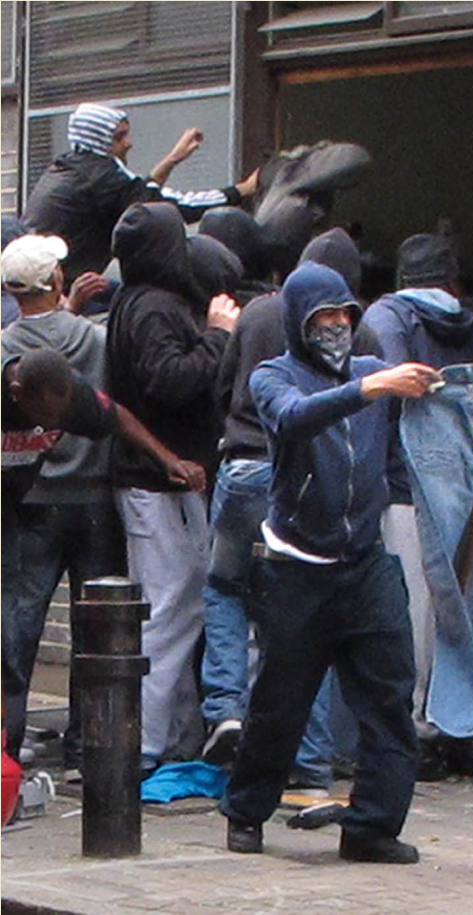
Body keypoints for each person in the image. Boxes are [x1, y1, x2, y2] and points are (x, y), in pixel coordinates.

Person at [220, 261, 438, 864]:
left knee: (390, 700)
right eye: (323, 316)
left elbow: (451, 395)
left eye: (345, 313)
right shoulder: (274, 376)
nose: (337, 325)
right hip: (296, 569)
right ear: (298, 321)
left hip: (365, 565)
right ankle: (246, 810)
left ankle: (372, 827)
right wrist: (370, 389)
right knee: (280, 703)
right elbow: (293, 417)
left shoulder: (373, 372)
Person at [201, 228, 381, 793]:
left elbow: (222, 388)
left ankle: (226, 708)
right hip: (311, 487)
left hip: (244, 469)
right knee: (307, 621)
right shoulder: (360, 337)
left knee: (226, 589)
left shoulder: (257, 314)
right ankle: (309, 763)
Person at [1, 348, 205, 764]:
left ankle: (26, 758)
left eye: (61, 416)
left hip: (12, 511)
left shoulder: (62, 393)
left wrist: (167, 459)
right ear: (18, 392)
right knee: (11, 637)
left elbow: (116, 418)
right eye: (46, 416)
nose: (53, 424)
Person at [106, 200, 239, 775]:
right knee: (169, 609)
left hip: (154, 479)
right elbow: (171, 381)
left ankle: (176, 736)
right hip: (162, 482)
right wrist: (217, 337)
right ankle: (144, 743)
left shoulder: (132, 301)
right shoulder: (156, 307)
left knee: (177, 608)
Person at [364, 234, 473, 780]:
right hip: (462, 487)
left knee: (409, 613)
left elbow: (380, 399)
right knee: (453, 611)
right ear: (452, 281)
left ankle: (413, 732)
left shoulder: (388, 320)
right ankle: (458, 726)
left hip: (403, 486)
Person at [1, 232, 125, 770]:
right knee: (96, 628)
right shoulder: (97, 339)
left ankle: (8, 744)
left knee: (18, 624)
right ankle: (85, 749)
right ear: (56, 280)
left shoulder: (6, 348)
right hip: (95, 498)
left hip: (31, 501)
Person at [24, 102, 258, 285]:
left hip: (44, 282)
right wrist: (239, 191)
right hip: (59, 291)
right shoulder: (102, 176)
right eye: (119, 137)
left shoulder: (73, 166)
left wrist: (172, 160)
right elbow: (168, 207)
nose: (129, 143)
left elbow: (135, 195)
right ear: (100, 140)